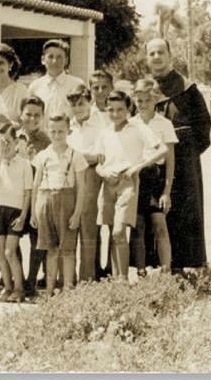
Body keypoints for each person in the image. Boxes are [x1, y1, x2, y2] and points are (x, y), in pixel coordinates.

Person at [146, 38, 211, 272]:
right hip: (154, 161)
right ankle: (164, 266)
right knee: (158, 211)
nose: (156, 57)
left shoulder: (187, 88)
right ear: (147, 58)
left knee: (187, 209)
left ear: (170, 55)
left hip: (184, 159)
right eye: (151, 53)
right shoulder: (145, 90)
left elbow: (203, 124)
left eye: (161, 52)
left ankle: (192, 264)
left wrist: (189, 151)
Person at [95, 91, 167, 281]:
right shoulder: (105, 133)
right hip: (108, 182)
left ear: (128, 109)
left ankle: (123, 280)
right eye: (111, 110)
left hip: (127, 182)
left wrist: (138, 167)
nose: (116, 114)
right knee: (112, 232)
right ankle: (118, 280)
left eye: (120, 109)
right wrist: (103, 172)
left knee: (119, 231)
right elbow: (99, 163)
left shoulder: (137, 128)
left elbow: (163, 150)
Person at [30, 115, 88, 295]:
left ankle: (68, 288)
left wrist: (77, 213)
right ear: (48, 130)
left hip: (67, 200)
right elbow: (35, 184)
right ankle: (49, 289)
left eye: (61, 131)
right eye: (53, 131)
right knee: (51, 249)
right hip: (46, 201)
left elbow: (82, 187)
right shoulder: (43, 155)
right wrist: (33, 212)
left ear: (68, 131)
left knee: (68, 249)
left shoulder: (75, 155)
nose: (56, 135)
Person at [129, 78, 178, 275]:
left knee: (159, 225)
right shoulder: (131, 124)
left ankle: (166, 272)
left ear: (155, 100)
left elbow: (170, 160)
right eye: (139, 100)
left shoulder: (164, 124)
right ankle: (141, 273)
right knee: (138, 227)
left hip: (156, 177)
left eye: (147, 100)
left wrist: (166, 191)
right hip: (137, 177)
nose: (143, 104)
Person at [0, 124, 33, 303]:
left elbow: (28, 192)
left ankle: (19, 288)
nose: (5, 146)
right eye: (1, 142)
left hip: (16, 210)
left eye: (8, 142)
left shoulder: (24, 164)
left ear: (16, 142)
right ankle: (7, 287)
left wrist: (23, 216)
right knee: (1, 251)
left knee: (9, 252)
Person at [66, 84, 106, 282]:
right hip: (70, 178)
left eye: (81, 103)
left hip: (91, 177)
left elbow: (99, 156)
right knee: (70, 226)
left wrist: (78, 157)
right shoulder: (70, 126)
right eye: (73, 105)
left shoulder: (99, 124)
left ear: (89, 102)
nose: (77, 108)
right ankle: (68, 278)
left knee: (88, 227)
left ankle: (87, 279)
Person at [15, 95, 50, 296]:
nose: (32, 119)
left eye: (37, 115)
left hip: (37, 195)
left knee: (37, 239)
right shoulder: (13, 137)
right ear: (21, 115)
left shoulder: (46, 140)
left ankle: (32, 279)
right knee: (13, 237)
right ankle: (17, 277)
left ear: (43, 116)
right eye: (28, 114)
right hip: (16, 195)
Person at [27, 39, 84, 118]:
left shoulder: (76, 84)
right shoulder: (35, 86)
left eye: (59, 57)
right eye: (50, 57)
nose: (54, 61)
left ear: (66, 60)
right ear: (43, 60)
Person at [0, 44, 29, 124]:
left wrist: (8, 123)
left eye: (1, 63)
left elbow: (26, 123)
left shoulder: (20, 90)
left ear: (10, 64)